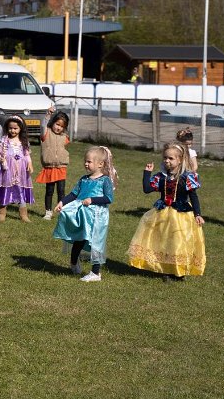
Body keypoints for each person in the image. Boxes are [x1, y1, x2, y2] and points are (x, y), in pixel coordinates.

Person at [127, 143, 206, 279]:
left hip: (181, 214)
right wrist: (147, 172)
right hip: (162, 213)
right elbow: (147, 189)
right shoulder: (161, 177)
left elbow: (193, 196)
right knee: (164, 240)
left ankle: (179, 270)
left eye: (171, 158)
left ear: (180, 160)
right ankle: (166, 269)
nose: (167, 161)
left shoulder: (187, 177)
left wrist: (197, 214)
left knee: (179, 241)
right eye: (165, 158)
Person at [52, 146, 116, 283]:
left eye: (89, 162)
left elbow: (109, 198)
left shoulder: (105, 180)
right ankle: (74, 263)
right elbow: (74, 194)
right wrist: (62, 202)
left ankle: (95, 272)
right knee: (79, 239)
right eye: (85, 161)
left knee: (96, 243)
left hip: (97, 216)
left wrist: (92, 200)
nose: (86, 164)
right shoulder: (84, 179)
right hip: (82, 215)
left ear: (100, 164)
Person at [0, 115, 35, 222]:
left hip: (21, 171)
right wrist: (0, 158)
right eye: (10, 128)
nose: (13, 130)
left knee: (20, 190)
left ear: (21, 128)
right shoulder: (4, 140)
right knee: (5, 189)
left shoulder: (23, 141)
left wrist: (29, 164)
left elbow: (26, 155)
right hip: (7, 170)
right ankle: (2, 213)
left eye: (15, 128)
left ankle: (23, 214)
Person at [37, 106, 70, 219]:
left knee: (61, 191)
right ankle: (48, 212)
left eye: (62, 126)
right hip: (49, 167)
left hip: (61, 167)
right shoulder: (46, 133)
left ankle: (62, 211)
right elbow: (43, 126)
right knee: (49, 190)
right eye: (57, 124)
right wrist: (48, 114)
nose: (58, 127)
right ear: (53, 122)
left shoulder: (64, 137)